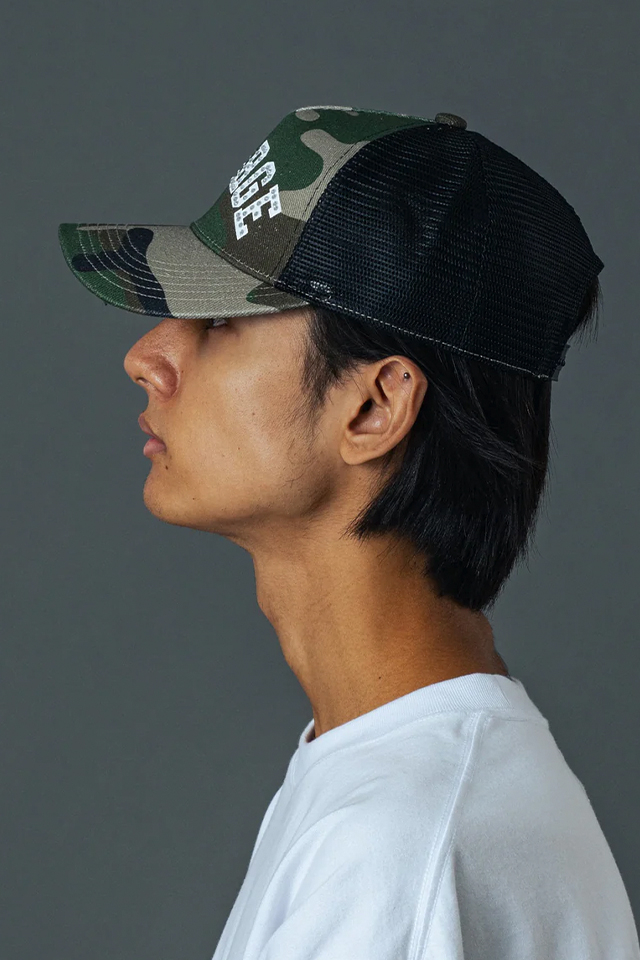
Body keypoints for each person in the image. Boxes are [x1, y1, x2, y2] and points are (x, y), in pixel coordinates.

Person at [58, 104, 640, 959]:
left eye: (221, 320)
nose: (147, 356)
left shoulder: (398, 849)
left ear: (373, 407)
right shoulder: (402, 782)